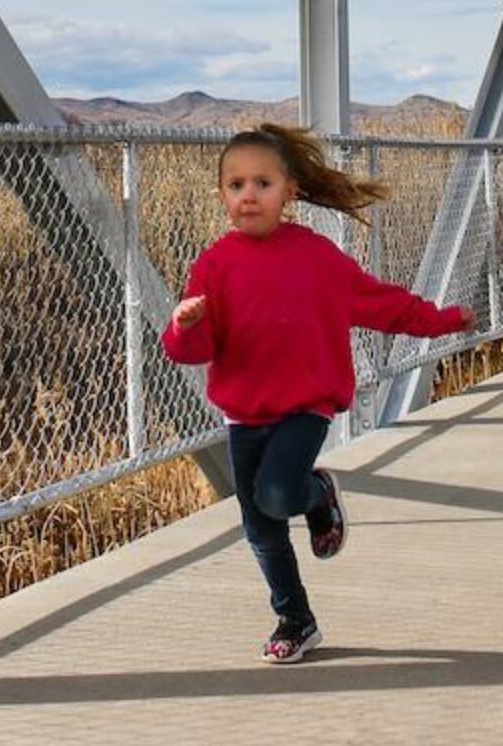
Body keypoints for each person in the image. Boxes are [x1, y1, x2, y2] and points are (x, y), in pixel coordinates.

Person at [161, 123, 473, 664]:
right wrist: (185, 324)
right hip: (244, 413)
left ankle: (316, 495)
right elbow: (193, 351)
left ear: (291, 192)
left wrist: (444, 321)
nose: (248, 195)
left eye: (262, 183)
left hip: (305, 404)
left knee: (279, 494)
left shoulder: (317, 257)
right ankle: (296, 619)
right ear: (222, 196)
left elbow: (382, 304)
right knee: (260, 527)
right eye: (236, 185)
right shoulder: (213, 266)